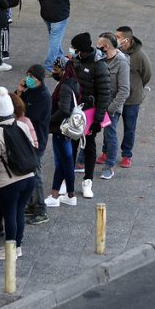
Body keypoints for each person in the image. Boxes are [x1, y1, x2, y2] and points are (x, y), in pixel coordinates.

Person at [0, 88, 37, 260]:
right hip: (29, 177)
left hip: (8, 182)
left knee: (10, 216)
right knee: (19, 213)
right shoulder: (22, 125)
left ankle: (10, 249)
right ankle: (18, 246)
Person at [69, 33, 111, 198]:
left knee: (89, 147)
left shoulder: (99, 66)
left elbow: (104, 95)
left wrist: (97, 120)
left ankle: (88, 181)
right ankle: (68, 179)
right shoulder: (75, 61)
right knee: (71, 146)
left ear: (81, 49)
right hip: (74, 111)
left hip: (90, 113)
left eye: (74, 47)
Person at [15, 65, 51, 226]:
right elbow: (15, 106)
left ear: (39, 79)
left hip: (37, 140)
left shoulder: (43, 96)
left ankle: (40, 209)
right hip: (25, 139)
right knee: (28, 173)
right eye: (27, 74)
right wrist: (19, 92)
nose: (28, 78)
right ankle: (30, 204)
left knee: (36, 174)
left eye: (32, 76)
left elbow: (29, 116)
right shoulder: (29, 91)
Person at [113, 27, 152, 168]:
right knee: (109, 127)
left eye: (118, 36)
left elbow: (147, 74)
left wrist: (136, 87)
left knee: (130, 128)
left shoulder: (139, 55)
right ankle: (106, 151)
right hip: (116, 97)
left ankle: (127, 154)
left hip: (132, 98)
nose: (115, 39)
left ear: (127, 40)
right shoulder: (114, 52)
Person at [44, 57, 80, 207]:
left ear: (64, 70)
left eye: (56, 69)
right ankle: (62, 194)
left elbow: (64, 110)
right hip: (68, 130)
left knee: (64, 162)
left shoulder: (64, 87)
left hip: (61, 129)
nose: (53, 72)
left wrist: (50, 120)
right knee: (65, 162)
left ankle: (61, 195)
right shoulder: (73, 82)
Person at [96, 33, 130, 180]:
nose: (96, 47)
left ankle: (109, 166)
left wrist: (110, 109)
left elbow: (124, 90)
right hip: (97, 104)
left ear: (106, 46)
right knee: (88, 132)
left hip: (111, 107)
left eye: (99, 45)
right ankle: (82, 160)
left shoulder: (121, 62)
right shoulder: (99, 59)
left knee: (110, 135)